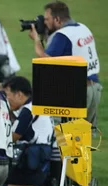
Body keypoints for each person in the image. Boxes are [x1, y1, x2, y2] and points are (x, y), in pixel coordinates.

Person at [28, 1, 101, 135]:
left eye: (47, 19)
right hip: (94, 88)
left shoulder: (62, 35)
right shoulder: (83, 28)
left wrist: (36, 39)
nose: (45, 23)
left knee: (66, 139)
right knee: (83, 139)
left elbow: (44, 60)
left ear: (57, 19)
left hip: (76, 94)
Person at [0, 76, 53, 186]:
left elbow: (13, 137)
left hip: (32, 168)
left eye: (7, 95)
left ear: (19, 94)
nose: (6, 99)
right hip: (41, 167)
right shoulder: (37, 106)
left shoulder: (27, 111)